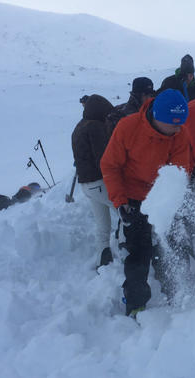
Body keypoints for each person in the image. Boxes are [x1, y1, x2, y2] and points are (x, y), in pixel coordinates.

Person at [100, 89, 191, 317]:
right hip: (132, 197)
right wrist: (120, 202)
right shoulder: (128, 128)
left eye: (180, 124)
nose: (178, 130)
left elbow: (180, 171)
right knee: (139, 252)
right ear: (157, 117)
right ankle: (136, 303)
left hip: (161, 195)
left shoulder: (179, 134)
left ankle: (175, 290)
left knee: (170, 243)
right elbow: (110, 165)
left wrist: (170, 201)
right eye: (172, 125)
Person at [71, 94, 116, 269]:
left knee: (102, 225)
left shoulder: (79, 126)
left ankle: (102, 261)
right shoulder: (95, 127)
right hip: (99, 183)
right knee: (126, 215)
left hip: (86, 185)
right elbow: (103, 160)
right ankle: (126, 250)